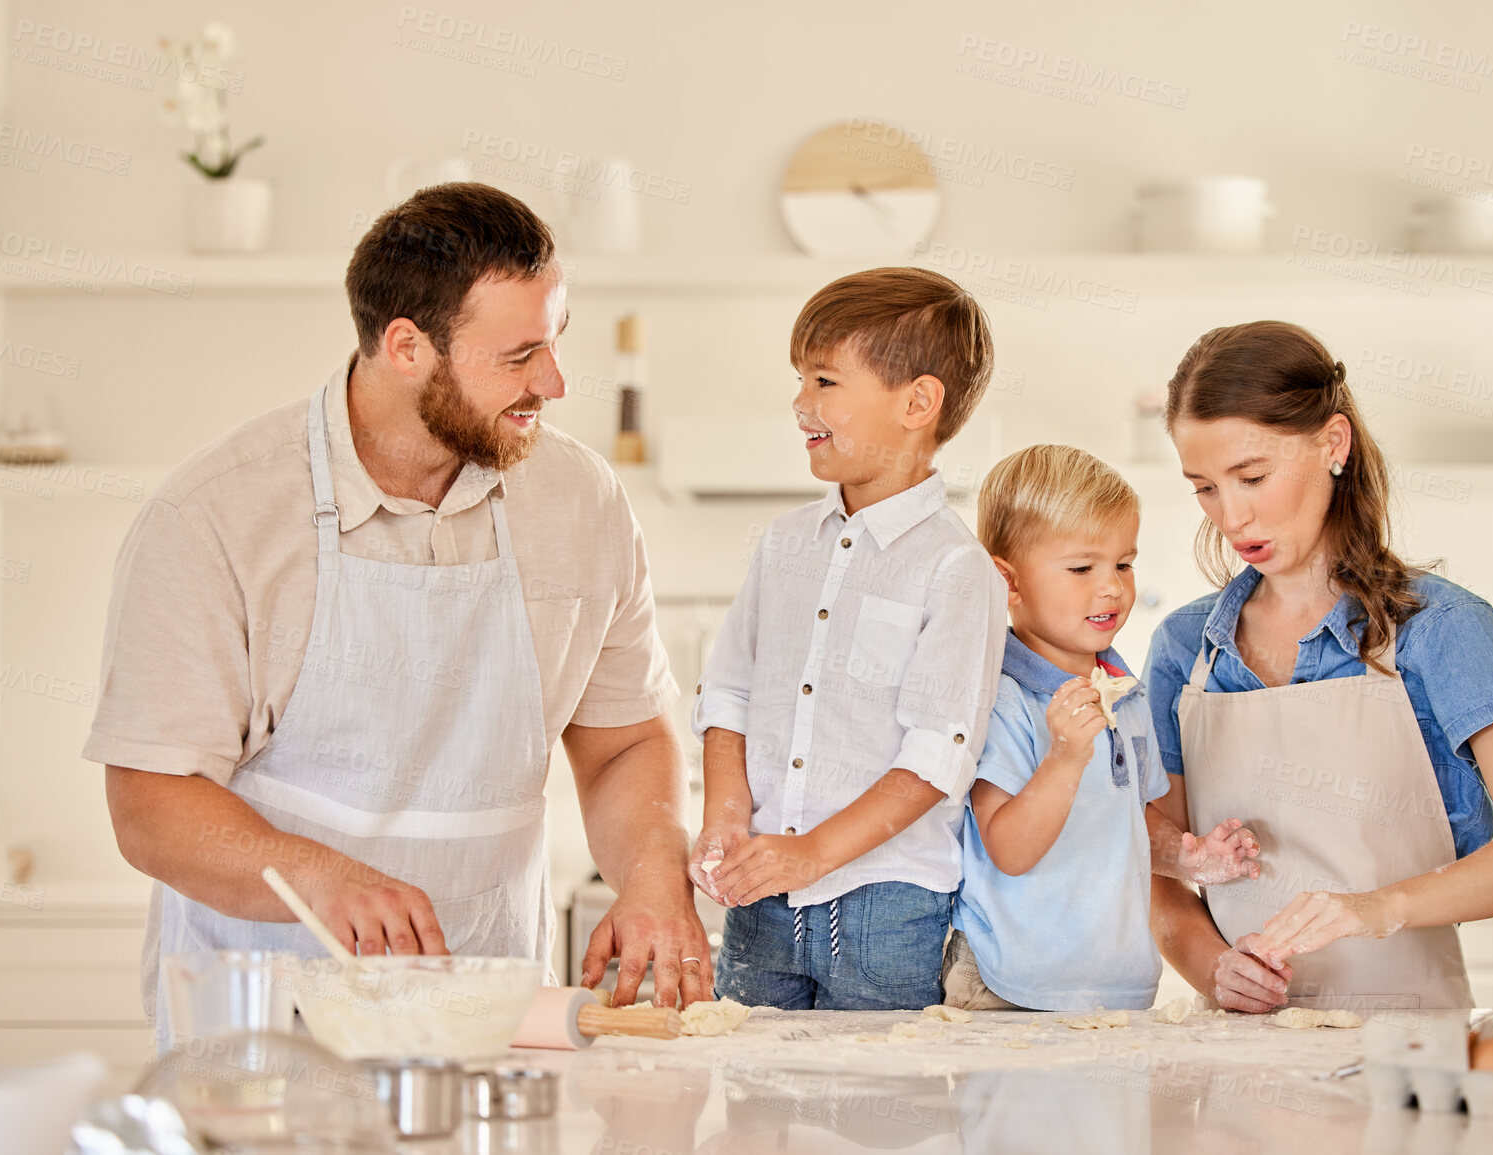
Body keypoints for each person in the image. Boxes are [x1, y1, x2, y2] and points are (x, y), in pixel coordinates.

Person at [87, 184, 709, 1045]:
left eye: (555, 340)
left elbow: (626, 741)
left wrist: (650, 876)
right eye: (519, 354)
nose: (555, 382)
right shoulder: (217, 516)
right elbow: (150, 803)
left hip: (491, 1018)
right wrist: (320, 878)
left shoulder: (578, 502)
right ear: (406, 346)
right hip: (266, 1027)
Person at [1147, 320, 1493, 1013]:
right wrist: (1213, 968)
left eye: (1252, 476)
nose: (1230, 516)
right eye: (1203, 487)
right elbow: (1160, 862)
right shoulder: (1186, 647)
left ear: (1333, 442)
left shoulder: (1440, 628)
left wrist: (1377, 907)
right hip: (1237, 1050)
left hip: (1404, 1047)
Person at [688, 267, 1007, 1010]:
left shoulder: (956, 568)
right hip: (759, 901)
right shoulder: (782, 544)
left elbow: (938, 756)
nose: (801, 402)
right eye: (800, 379)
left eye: (825, 380)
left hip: (885, 908)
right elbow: (727, 694)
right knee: (755, 1106)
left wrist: (812, 853)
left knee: (877, 1114)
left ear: (917, 402)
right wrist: (724, 818)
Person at [942, 445, 1259, 1012]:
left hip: (1113, 986)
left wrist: (1187, 856)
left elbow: (1133, 815)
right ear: (1007, 583)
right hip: (1009, 986)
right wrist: (1064, 757)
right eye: (1082, 568)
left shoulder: (1125, 693)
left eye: (1124, 563)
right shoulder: (1002, 697)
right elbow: (1009, 849)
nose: (1111, 587)